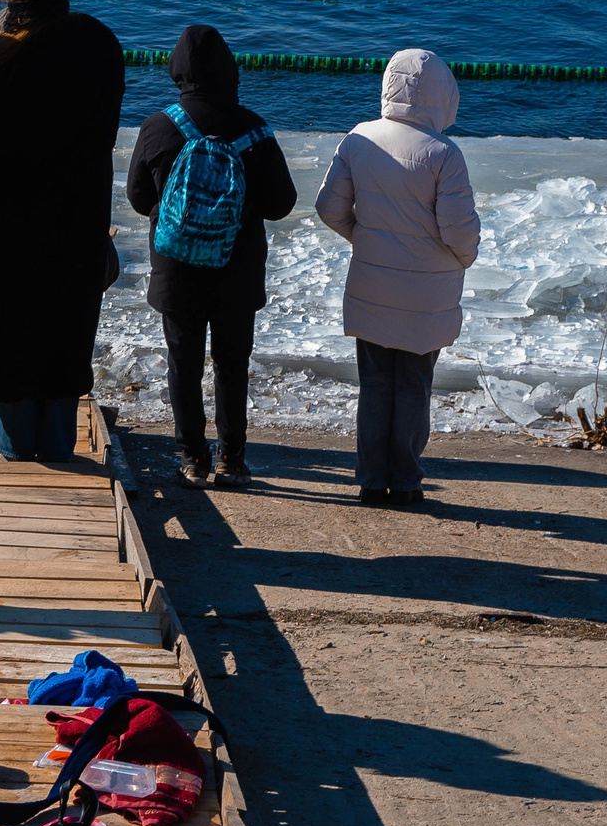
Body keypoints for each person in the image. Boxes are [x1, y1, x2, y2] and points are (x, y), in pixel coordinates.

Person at [0, 0, 124, 462]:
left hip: (8, 216)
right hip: (79, 212)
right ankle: (57, 443)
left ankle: (12, 444)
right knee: (65, 325)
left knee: (7, 325)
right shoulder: (101, 43)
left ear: (12, 4)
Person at [125, 25, 299, 490]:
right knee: (231, 362)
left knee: (183, 360)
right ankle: (232, 459)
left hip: (177, 269)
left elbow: (140, 200)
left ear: (177, 71)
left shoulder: (159, 125)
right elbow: (282, 204)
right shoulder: (254, 128)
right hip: (236, 270)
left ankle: (191, 459)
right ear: (229, 70)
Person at [315, 49, 479, 507]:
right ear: (443, 96)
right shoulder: (444, 153)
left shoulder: (358, 138)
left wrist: (365, 240)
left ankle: (370, 480)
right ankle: (405, 481)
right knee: (412, 386)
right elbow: (458, 229)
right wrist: (465, 258)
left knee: (375, 385)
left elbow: (329, 208)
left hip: (372, 286)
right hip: (425, 294)